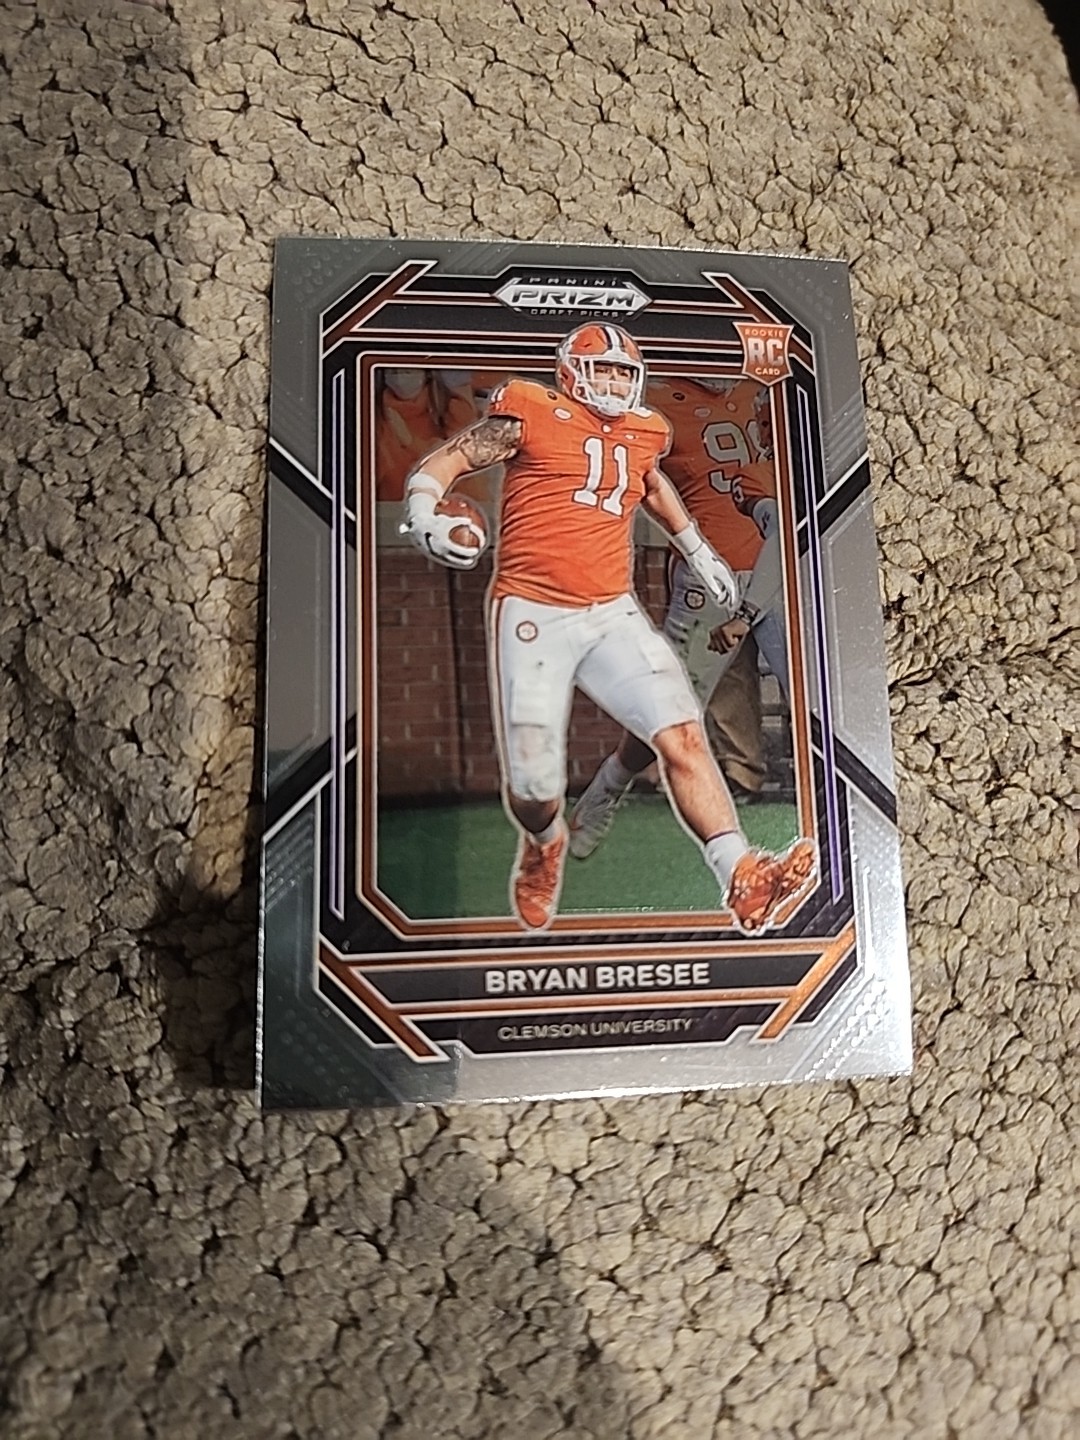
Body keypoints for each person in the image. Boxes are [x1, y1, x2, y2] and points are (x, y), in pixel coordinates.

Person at [400, 324, 815, 933]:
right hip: (534, 612)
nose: (617, 381)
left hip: (611, 611)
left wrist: (698, 550)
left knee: (682, 735)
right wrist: (422, 508)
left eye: (625, 371)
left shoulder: (644, 429)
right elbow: (458, 455)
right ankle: (544, 844)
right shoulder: (532, 409)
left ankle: (742, 876)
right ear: (572, 371)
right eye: (605, 369)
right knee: (534, 789)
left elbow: (651, 484)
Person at [570, 375, 793, 858]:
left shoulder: (762, 391)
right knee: (670, 705)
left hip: (782, 568)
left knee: (818, 695)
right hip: (708, 574)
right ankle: (606, 789)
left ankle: (834, 801)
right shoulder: (654, 404)